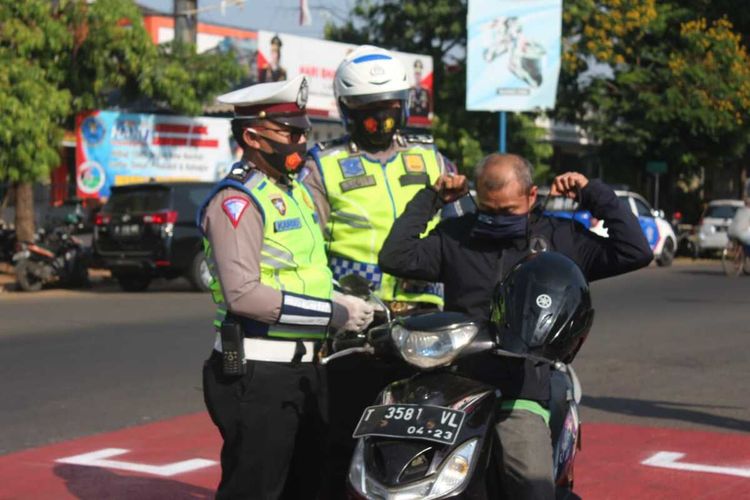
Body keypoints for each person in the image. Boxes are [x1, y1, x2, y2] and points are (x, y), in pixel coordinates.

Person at [379, 153, 653, 499]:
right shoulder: (456, 236)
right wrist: (432, 198)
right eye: (488, 210)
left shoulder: (561, 237)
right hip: (454, 389)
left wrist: (592, 194)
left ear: (531, 195)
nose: (496, 219)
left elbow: (635, 251)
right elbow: (395, 256)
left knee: (532, 487)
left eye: (508, 211)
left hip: (520, 392)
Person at [197, 75, 374, 500]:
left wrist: (338, 297)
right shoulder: (237, 201)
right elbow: (244, 294)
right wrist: (333, 314)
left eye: (303, 132)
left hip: (306, 368)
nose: (300, 142)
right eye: (290, 133)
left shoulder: (292, 193)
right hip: (259, 373)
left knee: (312, 485)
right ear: (254, 136)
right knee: (257, 489)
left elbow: (303, 272)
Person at [299, 44, 458, 496]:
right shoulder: (322, 166)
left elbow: (459, 233)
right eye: (370, 114)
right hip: (356, 323)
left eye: (391, 111)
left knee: (424, 436)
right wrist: (334, 303)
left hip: (427, 320)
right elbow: (307, 247)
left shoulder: (431, 160)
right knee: (342, 434)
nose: (382, 123)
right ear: (348, 112)